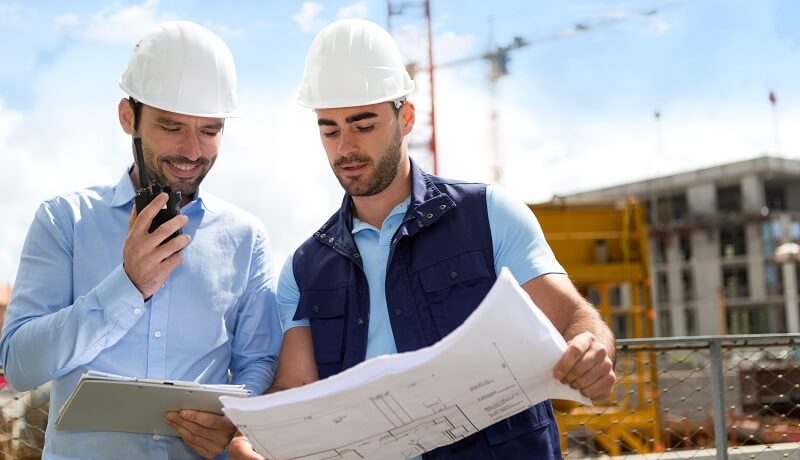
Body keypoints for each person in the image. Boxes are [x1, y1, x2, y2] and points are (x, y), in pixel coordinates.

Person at [229, 18, 615, 460]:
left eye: (363, 125)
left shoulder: (489, 215)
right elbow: (294, 389)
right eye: (329, 129)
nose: (345, 147)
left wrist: (592, 350)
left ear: (406, 118)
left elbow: (575, 318)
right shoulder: (303, 268)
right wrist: (252, 440)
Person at [0, 21, 282, 459]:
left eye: (210, 131)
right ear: (128, 117)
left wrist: (233, 423)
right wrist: (128, 285)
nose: (193, 151)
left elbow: (258, 363)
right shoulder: (64, 221)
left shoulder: (245, 238)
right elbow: (20, 366)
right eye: (172, 127)